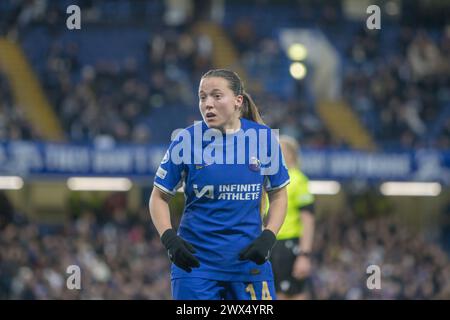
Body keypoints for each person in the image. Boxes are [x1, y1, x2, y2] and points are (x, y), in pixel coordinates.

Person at [149, 69, 289, 300]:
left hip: (249, 263)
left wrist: (269, 236)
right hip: (196, 267)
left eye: (216, 96)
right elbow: (158, 197)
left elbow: (279, 195)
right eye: (202, 97)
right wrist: (169, 239)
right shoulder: (186, 140)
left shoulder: (263, 139)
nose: (208, 104)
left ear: (238, 101)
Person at [270, 135, 316, 300]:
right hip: (271, 244)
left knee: (293, 295)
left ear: (290, 155)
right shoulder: (272, 179)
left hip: (289, 245)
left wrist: (304, 255)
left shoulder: (298, 180)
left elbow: (308, 220)